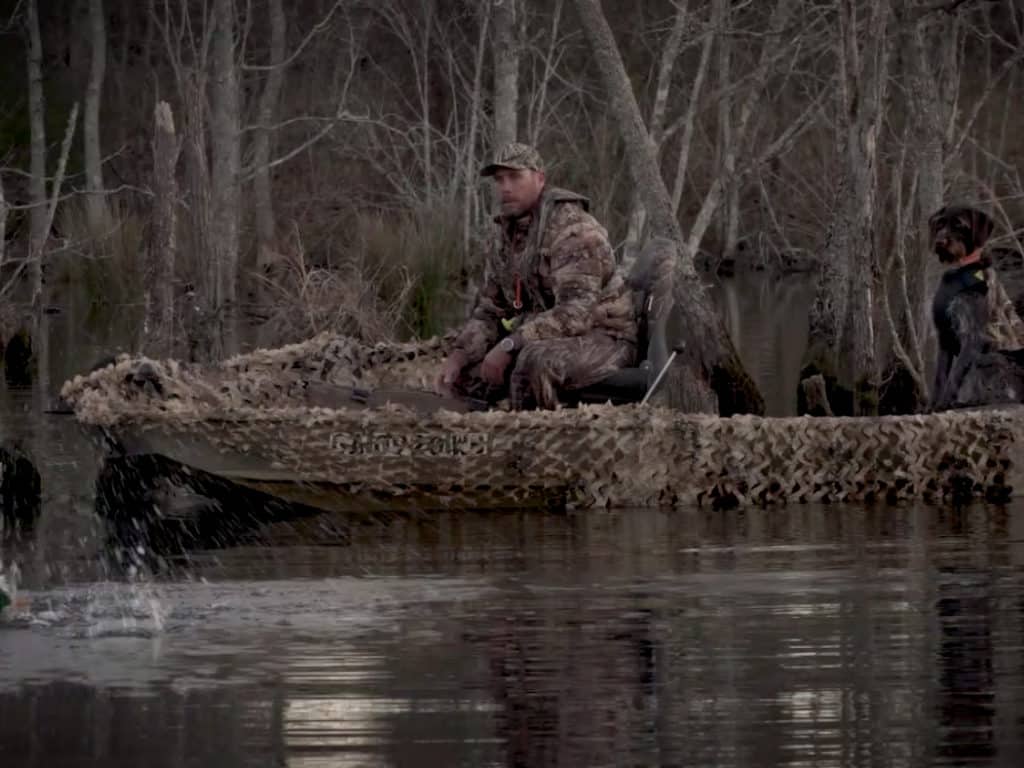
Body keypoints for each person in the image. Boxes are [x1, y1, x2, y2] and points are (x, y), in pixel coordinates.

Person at [435, 142, 637, 409]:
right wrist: (460, 355)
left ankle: (536, 443)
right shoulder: (506, 236)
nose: (505, 187)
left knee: (531, 363)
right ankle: (476, 439)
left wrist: (510, 344)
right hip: (546, 334)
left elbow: (577, 313)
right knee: (464, 376)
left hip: (605, 337)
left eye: (515, 177)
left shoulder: (573, 230)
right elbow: (490, 310)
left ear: (540, 178)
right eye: (499, 180)